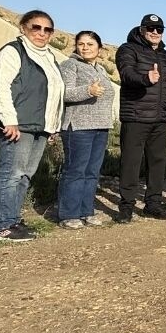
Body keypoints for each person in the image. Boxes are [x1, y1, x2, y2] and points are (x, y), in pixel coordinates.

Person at [0, 10, 65, 241]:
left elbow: (53, 94)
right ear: (23, 27)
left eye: (47, 29)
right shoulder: (13, 51)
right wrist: (8, 119)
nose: (42, 33)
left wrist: (52, 125)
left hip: (39, 127)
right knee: (11, 174)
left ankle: (12, 219)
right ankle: (2, 226)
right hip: (17, 125)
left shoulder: (49, 57)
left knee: (24, 176)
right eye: (36, 27)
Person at [115, 14, 166, 223]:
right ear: (141, 29)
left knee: (157, 163)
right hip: (136, 117)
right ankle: (126, 207)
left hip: (160, 119)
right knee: (131, 163)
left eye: (159, 29)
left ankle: (153, 204)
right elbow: (127, 74)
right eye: (151, 28)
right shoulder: (127, 49)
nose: (155, 32)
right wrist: (145, 79)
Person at [57, 30, 115, 229]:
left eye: (90, 44)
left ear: (99, 48)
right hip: (78, 127)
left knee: (92, 172)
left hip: (100, 126)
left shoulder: (101, 69)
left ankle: (86, 211)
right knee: (75, 171)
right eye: (81, 44)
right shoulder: (70, 65)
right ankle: (69, 214)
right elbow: (65, 93)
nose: (85, 48)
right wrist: (88, 91)